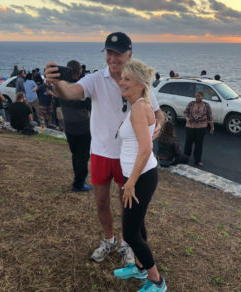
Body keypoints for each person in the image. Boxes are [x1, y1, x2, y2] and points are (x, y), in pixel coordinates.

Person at [45, 31, 164, 265]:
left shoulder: (139, 83)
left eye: (118, 54)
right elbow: (70, 93)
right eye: (109, 53)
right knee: (101, 202)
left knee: (126, 204)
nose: (113, 59)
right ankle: (109, 240)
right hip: (100, 152)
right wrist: (57, 82)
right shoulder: (96, 79)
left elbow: (157, 112)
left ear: (130, 54)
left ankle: (127, 243)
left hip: (126, 156)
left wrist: (157, 124)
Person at [112, 59, 167, 292]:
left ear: (140, 84)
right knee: (138, 224)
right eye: (121, 78)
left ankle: (157, 282)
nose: (121, 82)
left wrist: (131, 183)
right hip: (137, 175)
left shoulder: (138, 108)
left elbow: (145, 149)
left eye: (126, 79)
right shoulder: (139, 105)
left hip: (140, 177)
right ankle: (139, 267)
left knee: (131, 234)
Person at [59, 60, 92, 192]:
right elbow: (89, 105)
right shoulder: (80, 89)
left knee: (75, 154)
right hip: (83, 127)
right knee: (83, 156)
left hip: (69, 126)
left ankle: (78, 178)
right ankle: (79, 183)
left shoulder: (62, 89)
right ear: (78, 72)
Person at [184, 91, 214, 166]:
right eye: (196, 96)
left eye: (199, 96)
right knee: (188, 143)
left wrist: (212, 127)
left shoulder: (206, 105)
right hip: (190, 126)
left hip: (201, 127)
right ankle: (185, 158)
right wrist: (187, 118)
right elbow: (185, 112)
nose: (197, 97)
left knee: (199, 144)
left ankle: (197, 160)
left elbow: (210, 116)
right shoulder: (191, 103)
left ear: (202, 97)